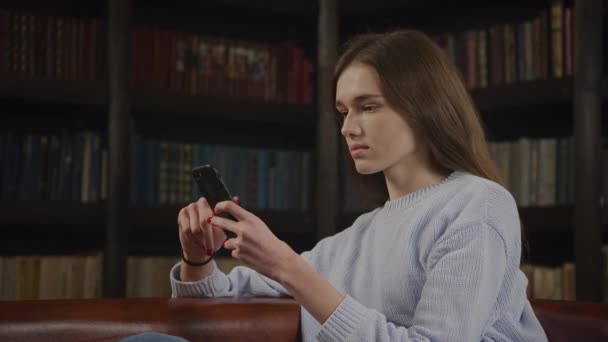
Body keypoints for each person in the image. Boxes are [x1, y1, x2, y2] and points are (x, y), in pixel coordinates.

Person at [122, 30, 548, 342]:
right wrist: (197, 259)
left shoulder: (478, 204)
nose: (348, 128)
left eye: (368, 107)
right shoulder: (357, 238)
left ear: (425, 108)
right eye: (343, 111)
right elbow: (221, 298)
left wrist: (289, 266)